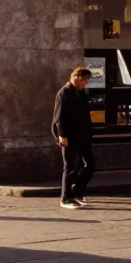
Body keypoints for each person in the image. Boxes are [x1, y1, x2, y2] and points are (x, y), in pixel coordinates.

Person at [52, 65, 95, 210]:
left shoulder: (82, 93)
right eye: (85, 79)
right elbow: (59, 117)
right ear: (76, 78)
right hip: (69, 136)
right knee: (69, 167)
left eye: (87, 80)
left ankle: (77, 191)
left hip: (83, 136)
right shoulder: (65, 93)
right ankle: (65, 198)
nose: (86, 82)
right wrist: (61, 135)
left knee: (90, 165)